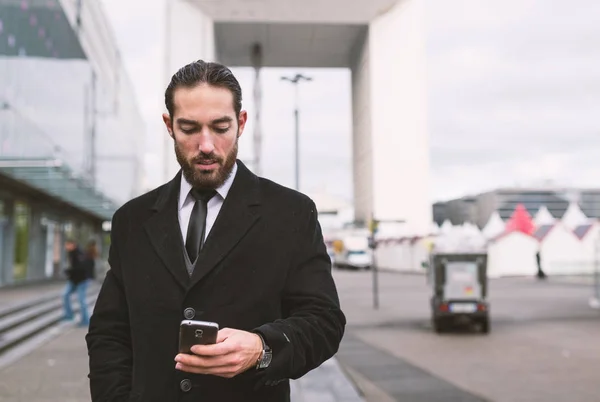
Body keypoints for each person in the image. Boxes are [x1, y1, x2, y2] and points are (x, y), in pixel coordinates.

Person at [86, 60, 346, 402]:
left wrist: (262, 347)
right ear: (169, 126)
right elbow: (109, 333)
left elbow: (324, 322)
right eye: (190, 128)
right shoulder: (131, 221)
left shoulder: (291, 213)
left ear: (240, 123)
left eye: (220, 127)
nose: (206, 145)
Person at [63, 239, 90, 327]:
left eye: (67, 245)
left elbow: (81, 268)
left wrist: (69, 271)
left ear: (73, 245)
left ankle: (86, 320)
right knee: (65, 295)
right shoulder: (71, 253)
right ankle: (69, 315)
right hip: (74, 280)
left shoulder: (79, 254)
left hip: (81, 280)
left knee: (81, 300)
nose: (66, 247)